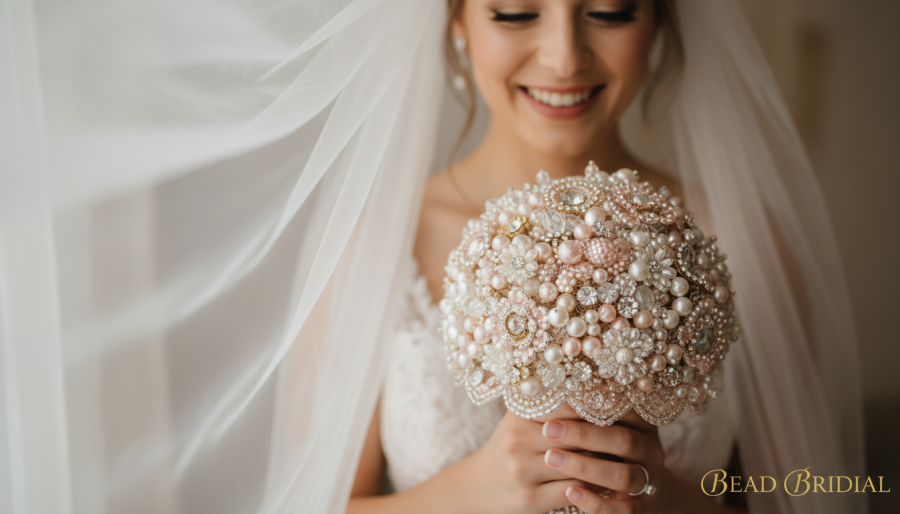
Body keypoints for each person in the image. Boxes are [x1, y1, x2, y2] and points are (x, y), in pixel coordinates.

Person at [347, 1, 865, 514]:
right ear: (457, 20)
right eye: (514, 13)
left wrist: (673, 505)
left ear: (659, 21)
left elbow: (804, 501)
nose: (565, 58)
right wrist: (464, 498)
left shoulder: (745, 239)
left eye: (610, 12)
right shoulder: (375, 242)